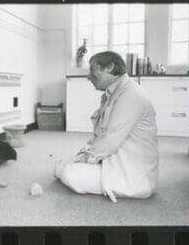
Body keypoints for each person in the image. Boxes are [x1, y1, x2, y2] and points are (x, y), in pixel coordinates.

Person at [54, 51, 159, 201]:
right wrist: (81, 156)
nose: (88, 76)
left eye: (92, 69)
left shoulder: (131, 94)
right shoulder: (116, 92)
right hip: (118, 163)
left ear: (109, 67)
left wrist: (82, 159)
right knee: (63, 165)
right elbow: (101, 136)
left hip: (133, 178)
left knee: (66, 171)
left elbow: (109, 141)